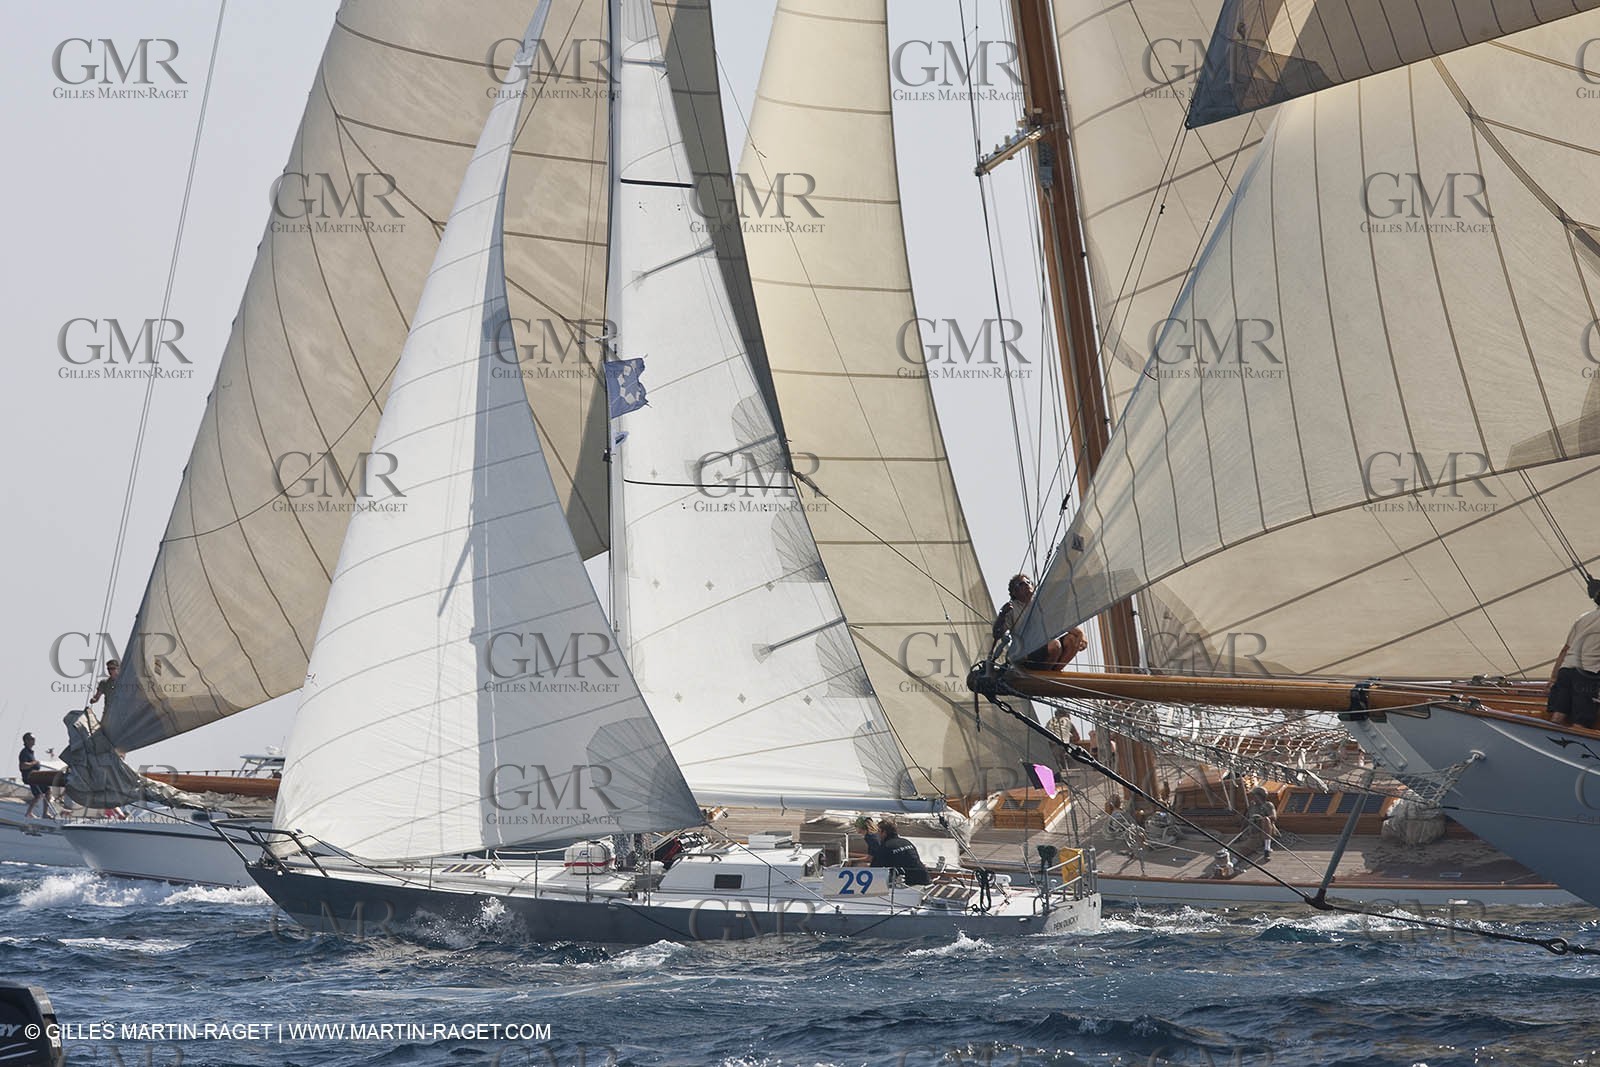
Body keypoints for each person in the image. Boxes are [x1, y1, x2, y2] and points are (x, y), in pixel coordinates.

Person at [991, 574, 1087, 670]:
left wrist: (1080, 634)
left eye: (1028, 582)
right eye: (1021, 584)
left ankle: (1053, 674)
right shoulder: (1011, 609)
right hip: (1025, 653)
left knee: (1072, 640)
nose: (1026, 584)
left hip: (1046, 648)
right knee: (1054, 645)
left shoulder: (1043, 603)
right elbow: (997, 634)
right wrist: (1002, 615)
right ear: (1014, 592)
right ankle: (1045, 677)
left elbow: (1061, 622)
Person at [1548, 578, 1600, 727]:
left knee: (1558, 715)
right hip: (1586, 673)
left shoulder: (1583, 618)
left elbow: (1566, 648)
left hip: (1566, 670)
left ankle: (1550, 743)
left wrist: (1553, 677)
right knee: (1582, 721)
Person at [865, 819, 930, 886]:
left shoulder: (885, 847)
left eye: (878, 831)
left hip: (909, 886)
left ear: (884, 832)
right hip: (925, 879)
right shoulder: (906, 842)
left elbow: (874, 869)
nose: (877, 834)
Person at [18, 733, 50, 820]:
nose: (33, 741)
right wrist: (34, 763)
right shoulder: (24, 752)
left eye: (34, 739)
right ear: (26, 741)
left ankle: (29, 813)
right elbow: (22, 766)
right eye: (32, 739)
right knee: (46, 791)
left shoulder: (30, 752)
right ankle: (44, 813)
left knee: (39, 794)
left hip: (34, 776)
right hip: (30, 777)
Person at [1245, 785, 1278, 859]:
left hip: (1266, 830)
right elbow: (1246, 818)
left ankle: (1267, 848)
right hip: (1254, 832)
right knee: (1243, 850)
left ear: (1261, 796)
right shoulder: (1252, 806)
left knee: (1266, 819)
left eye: (1255, 796)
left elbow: (1274, 817)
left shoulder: (1268, 805)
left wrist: (1260, 819)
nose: (1253, 797)